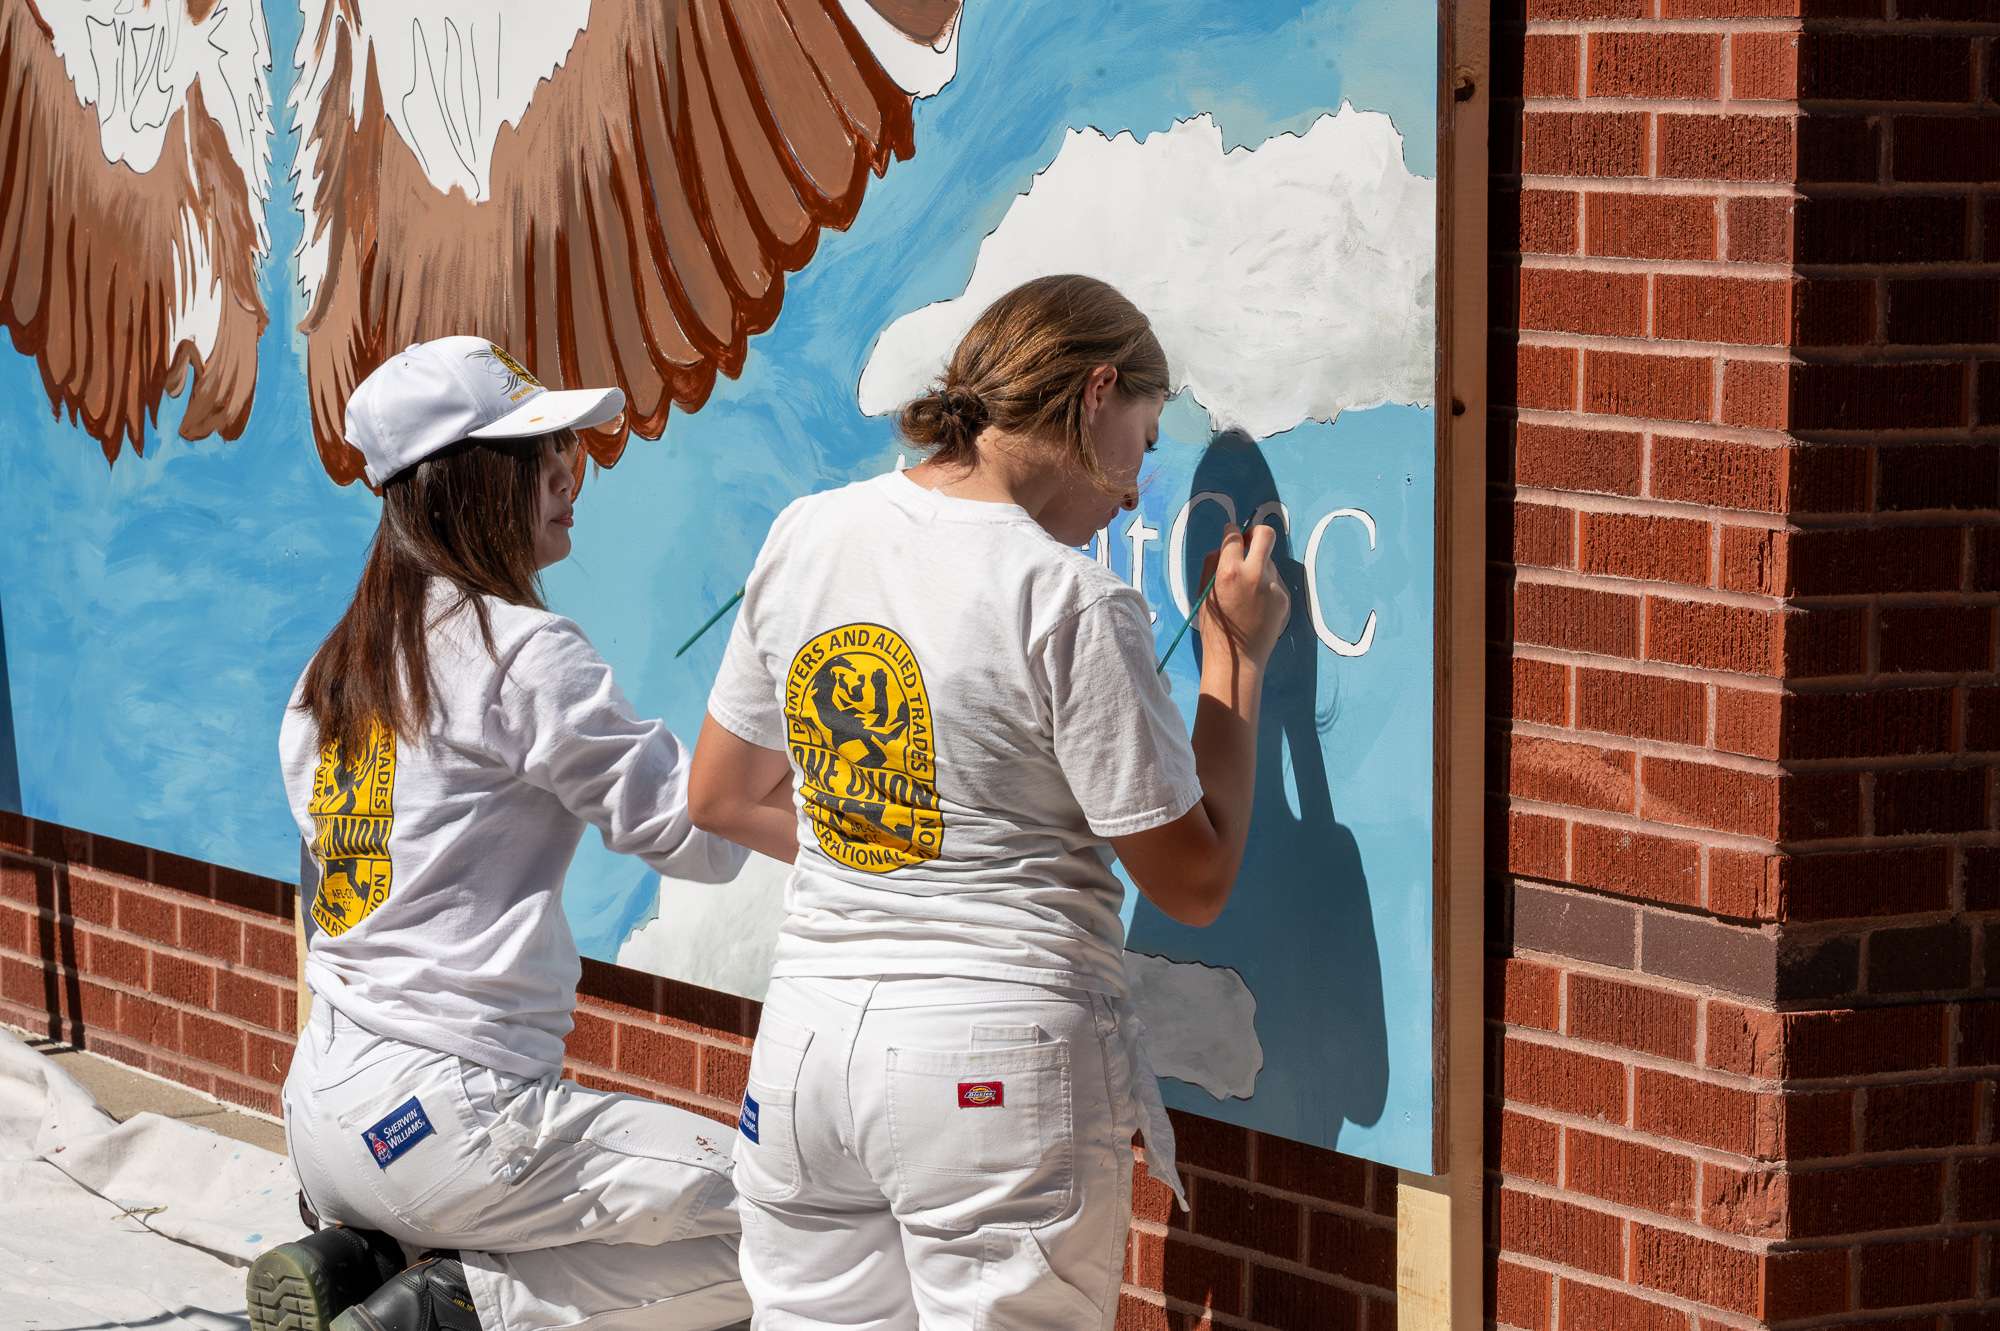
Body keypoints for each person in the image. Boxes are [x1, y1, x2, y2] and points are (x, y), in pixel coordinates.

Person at [688, 274, 1292, 1329]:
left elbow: (724, 794)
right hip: (993, 1066)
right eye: (1142, 442)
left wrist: (902, 847)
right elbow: (1194, 879)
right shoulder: (1064, 598)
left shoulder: (809, 534)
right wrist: (1232, 662)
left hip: (806, 1053)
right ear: (1094, 392)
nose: (1132, 493)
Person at [248, 337, 760, 1331]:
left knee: (570, 1196)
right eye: (543, 452)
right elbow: (699, 834)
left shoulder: (329, 676)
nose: (573, 472)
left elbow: (319, 904)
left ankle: (360, 1261)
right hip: (451, 1115)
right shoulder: (523, 652)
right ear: (472, 482)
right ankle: (455, 1305)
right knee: (798, 1221)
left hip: (324, 1110)